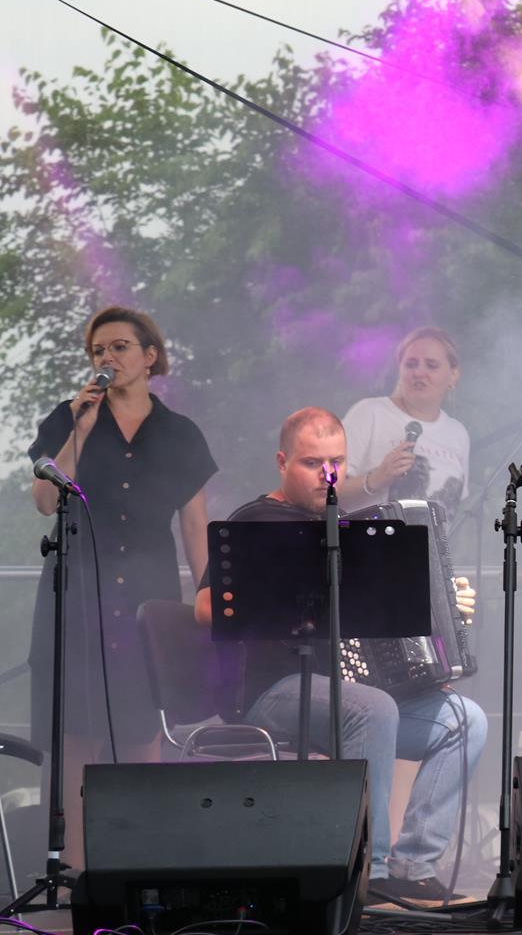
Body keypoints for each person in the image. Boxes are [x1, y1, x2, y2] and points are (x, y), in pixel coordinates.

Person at [194, 407, 487, 904]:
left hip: (355, 700)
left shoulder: (351, 530)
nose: (327, 475)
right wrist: (283, 597)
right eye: (312, 463)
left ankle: (413, 867)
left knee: (465, 720)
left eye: (337, 462)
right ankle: (368, 872)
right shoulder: (259, 521)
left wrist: (441, 606)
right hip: (270, 691)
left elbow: (383, 618)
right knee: (375, 709)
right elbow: (205, 607)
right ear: (283, 462)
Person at [26, 306, 216, 861]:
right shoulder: (71, 417)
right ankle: (75, 870)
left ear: (150, 356)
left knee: (142, 724)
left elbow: (195, 524)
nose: (106, 358)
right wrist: (79, 431)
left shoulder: (180, 433)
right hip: (78, 591)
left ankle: (139, 865)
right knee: (76, 733)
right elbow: (44, 501)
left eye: (119, 347)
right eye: (98, 350)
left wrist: (207, 593)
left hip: (146, 598)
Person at [339, 327, 469, 511]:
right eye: (411, 364)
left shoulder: (458, 433)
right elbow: (325, 494)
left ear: (453, 375)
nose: (418, 372)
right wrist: (376, 478)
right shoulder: (370, 413)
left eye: (431, 365)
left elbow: (457, 509)